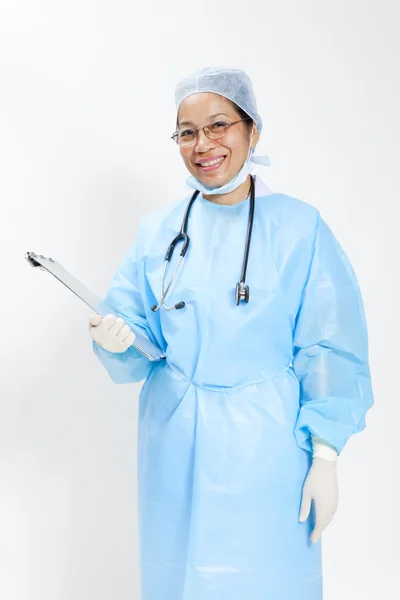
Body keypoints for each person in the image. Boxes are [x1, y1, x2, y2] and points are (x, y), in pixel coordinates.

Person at [89, 66, 374, 600]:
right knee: (177, 579)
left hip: (266, 448)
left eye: (219, 125)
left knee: (266, 582)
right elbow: (137, 336)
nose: (204, 144)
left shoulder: (299, 229)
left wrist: (327, 454)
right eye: (188, 132)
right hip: (173, 444)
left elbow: (331, 346)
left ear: (253, 131)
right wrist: (114, 340)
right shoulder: (160, 232)